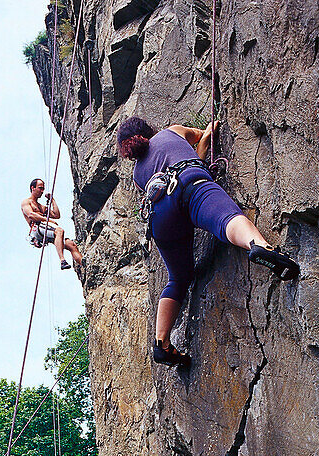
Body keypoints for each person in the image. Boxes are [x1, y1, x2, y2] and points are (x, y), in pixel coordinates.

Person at [116, 117, 300, 368]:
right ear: (149, 130)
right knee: (226, 219)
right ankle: (259, 245)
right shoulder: (172, 131)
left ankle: (162, 343)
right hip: (190, 183)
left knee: (178, 278)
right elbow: (205, 133)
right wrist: (209, 129)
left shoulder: (139, 173)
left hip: (161, 215)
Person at [22, 179, 83, 270]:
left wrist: (52, 200)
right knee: (59, 231)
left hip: (44, 228)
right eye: (40, 188)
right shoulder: (26, 202)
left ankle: (84, 265)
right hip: (37, 228)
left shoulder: (41, 207)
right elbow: (31, 215)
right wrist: (48, 221)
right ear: (33, 188)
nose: (42, 191)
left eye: (43, 189)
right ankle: (62, 260)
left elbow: (56, 215)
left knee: (71, 245)